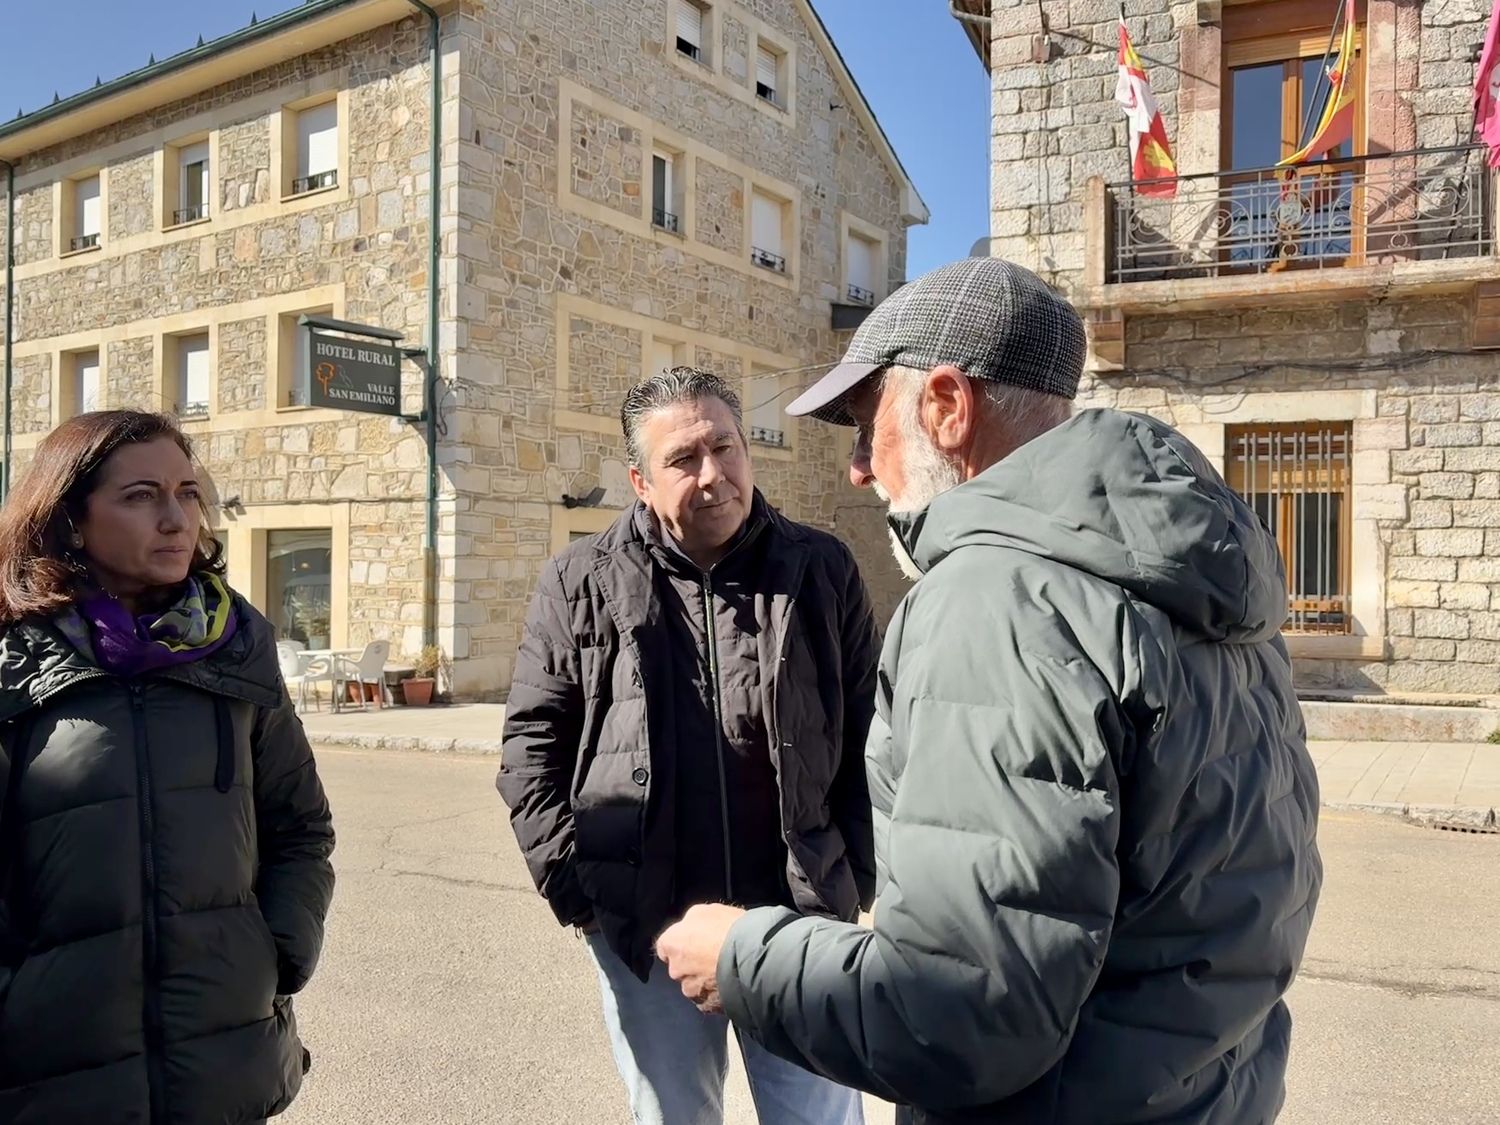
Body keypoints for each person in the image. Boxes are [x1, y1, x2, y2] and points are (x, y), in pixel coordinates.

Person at [656, 258, 1324, 1124]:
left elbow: (962, 1012)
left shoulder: (995, 597)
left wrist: (743, 955)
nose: (857, 468)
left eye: (865, 425)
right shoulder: (1191, 569)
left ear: (946, 407)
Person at [498, 367, 879, 1125]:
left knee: (818, 1118)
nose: (713, 475)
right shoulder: (577, 582)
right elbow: (531, 750)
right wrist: (586, 897)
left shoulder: (820, 568)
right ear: (640, 481)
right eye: (683, 459)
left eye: (725, 447)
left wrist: (853, 875)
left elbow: (874, 732)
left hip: (796, 921)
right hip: (650, 927)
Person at [0, 411, 336, 1124]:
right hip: (55, 1075)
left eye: (187, 492)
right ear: (69, 519)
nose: (176, 518)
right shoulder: (12, 656)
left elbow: (300, 827)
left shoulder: (235, 645)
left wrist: (277, 955)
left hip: (222, 1059)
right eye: (141, 495)